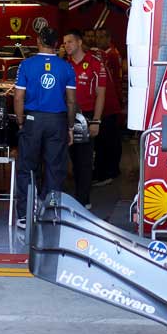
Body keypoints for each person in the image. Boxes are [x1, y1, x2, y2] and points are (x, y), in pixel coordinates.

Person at [14, 28, 76, 229]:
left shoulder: (26, 64)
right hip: (57, 121)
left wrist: (21, 121)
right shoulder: (66, 67)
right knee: (55, 168)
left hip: (32, 119)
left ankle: (24, 215)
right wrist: (70, 127)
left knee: (26, 167)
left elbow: (18, 97)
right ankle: (50, 214)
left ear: (39, 40)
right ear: (56, 43)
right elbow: (72, 101)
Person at [63, 30, 107, 209]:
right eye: (64, 43)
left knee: (84, 160)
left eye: (70, 42)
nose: (67, 46)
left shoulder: (95, 64)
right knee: (66, 160)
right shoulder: (64, 65)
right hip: (64, 116)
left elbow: (101, 94)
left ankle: (83, 201)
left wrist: (96, 121)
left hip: (86, 116)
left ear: (80, 43)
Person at [94, 28, 124, 185]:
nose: (98, 39)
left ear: (109, 37)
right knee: (110, 138)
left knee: (109, 139)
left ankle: (109, 171)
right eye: (97, 37)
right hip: (110, 100)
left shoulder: (111, 54)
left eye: (101, 36)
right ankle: (110, 170)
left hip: (111, 101)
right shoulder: (109, 53)